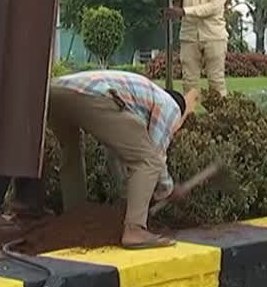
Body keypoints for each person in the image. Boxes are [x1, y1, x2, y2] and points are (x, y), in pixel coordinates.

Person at [48, 70, 196, 249]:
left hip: (53, 92)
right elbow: (154, 155)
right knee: (146, 161)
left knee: (71, 151)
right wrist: (167, 189)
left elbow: (118, 153)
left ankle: (75, 216)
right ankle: (135, 230)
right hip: (94, 94)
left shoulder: (141, 97)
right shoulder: (171, 106)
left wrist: (125, 195)